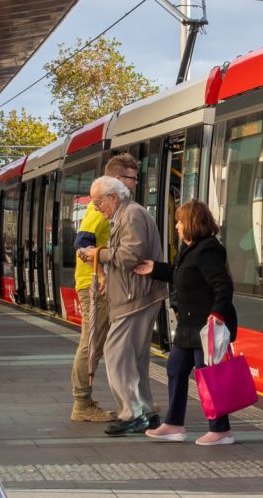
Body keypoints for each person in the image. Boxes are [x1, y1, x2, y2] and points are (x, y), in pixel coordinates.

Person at [133, 199, 238, 446]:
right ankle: (173, 425)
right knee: (175, 369)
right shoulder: (188, 248)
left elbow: (223, 286)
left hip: (206, 327)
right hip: (189, 326)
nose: (177, 226)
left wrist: (218, 315)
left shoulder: (209, 249)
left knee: (208, 378)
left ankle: (221, 430)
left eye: (180, 221)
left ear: (191, 223)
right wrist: (155, 268)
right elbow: (182, 275)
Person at [81, 174, 167, 435]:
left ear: (113, 197)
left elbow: (131, 255)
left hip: (135, 297)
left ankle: (132, 412)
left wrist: (100, 254)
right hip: (136, 295)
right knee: (134, 357)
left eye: (99, 203)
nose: (97, 208)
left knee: (116, 353)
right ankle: (146, 410)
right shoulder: (127, 214)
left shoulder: (130, 215)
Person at [68, 153, 142, 423]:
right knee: (91, 343)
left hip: (98, 284)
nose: (134, 184)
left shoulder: (112, 206)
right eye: (132, 179)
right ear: (118, 180)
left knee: (101, 343)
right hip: (93, 286)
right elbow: (81, 244)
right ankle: (82, 403)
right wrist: (100, 274)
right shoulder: (97, 208)